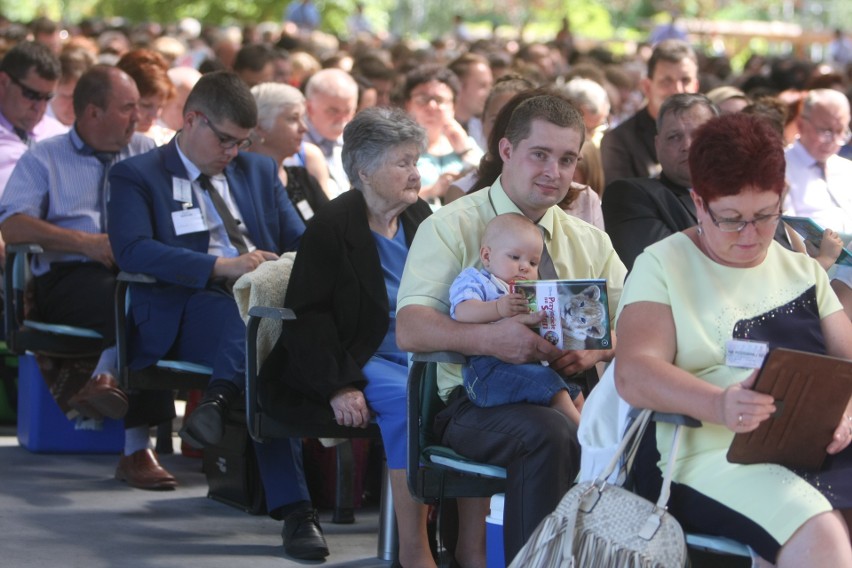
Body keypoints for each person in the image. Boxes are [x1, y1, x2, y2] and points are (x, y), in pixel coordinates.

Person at [106, 71, 328, 560]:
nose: (232, 152)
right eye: (225, 140)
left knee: (260, 337)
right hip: (181, 307)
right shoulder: (137, 175)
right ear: (192, 120)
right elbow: (132, 252)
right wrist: (221, 266)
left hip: (260, 304)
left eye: (242, 142)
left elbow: (302, 243)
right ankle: (297, 513)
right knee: (255, 335)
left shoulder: (259, 171)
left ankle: (219, 400)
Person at [614, 112, 852, 567]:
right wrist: (718, 404)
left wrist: (846, 413)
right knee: (822, 536)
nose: (750, 235)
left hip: (811, 443)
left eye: (765, 216)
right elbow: (635, 373)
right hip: (706, 451)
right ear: (698, 203)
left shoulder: (801, 268)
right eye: (730, 219)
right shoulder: (663, 263)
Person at [396, 93, 626, 561]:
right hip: (472, 397)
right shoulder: (451, 225)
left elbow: (638, 324)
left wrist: (597, 351)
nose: (553, 172)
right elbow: (410, 328)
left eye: (566, 160)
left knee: (650, 430)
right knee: (550, 433)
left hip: (576, 387)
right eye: (539, 155)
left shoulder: (590, 241)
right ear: (505, 151)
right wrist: (488, 339)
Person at [259, 107, 444, 568]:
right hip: (361, 355)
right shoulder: (332, 225)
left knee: (471, 396)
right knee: (410, 402)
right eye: (402, 163)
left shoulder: (420, 216)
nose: (416, 174)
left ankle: (460, 541)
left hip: (422, 346)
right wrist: (339, 384)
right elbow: (310, 315)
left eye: (416, 161)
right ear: (363, 169)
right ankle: (414, 549)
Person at [0, 65, 175, 489]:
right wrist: (87, 244)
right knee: (131, 304)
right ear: (93, 112)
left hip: (134, 272)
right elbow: (13, 227)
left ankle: (105, 374)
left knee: (160, 300)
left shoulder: (146, 151)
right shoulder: (45, 156)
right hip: (68, 276)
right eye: (128, 108)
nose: (139, 117)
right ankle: (136, 448)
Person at [450, 213, 583, 425]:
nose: (524, 267)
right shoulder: (477, 280)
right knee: (552, 386)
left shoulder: (529, 293)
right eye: (514, 257)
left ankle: (587, 438)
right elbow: (462, 312)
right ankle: (585, 439)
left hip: (528, 366)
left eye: (533, 262)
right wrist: (497, 308)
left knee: (574, 393)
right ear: (486, 256)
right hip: (488, 371)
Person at [602, 93, 718, 271]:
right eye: (674, 137)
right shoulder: (631, 196)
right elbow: (664, 267)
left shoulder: (746, 194)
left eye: (699, 135)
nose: (687, 145)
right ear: (657, 145)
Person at [600, 39, 699, 185]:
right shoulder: (620, 141)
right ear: (647, 87)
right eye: (666, 81)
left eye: (685, 80)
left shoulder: (710, 137)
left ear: (696, 86)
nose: (678, 90)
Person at [403, 64, 483, 207]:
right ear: (408, 105)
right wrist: (430, 191)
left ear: (453, 106)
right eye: (422, 99)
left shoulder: (466, 143)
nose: (431, 106)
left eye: (439, 100)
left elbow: (489, 185)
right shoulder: (396, 149)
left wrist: (465, 150)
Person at [250, 81, 328, 224]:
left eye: (303, 118)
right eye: (293, 119)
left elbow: (333, 231)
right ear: (260, 126)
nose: (304, 128)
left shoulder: (302, 178)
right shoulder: (241, 183)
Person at [0, 40, 67, 195]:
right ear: (3, 82)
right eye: (31, 95)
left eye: (47, 98)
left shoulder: (59, 134)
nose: (40, 107)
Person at [783, 89, 852, 236]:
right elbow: (787, 235)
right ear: (801, 125)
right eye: (825, 130)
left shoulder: (846, 168)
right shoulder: (780, 167)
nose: (832, 140)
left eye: (840, 131)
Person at [302, 68, 358, 197]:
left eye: (348, 111)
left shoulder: (355, 140)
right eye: (333, 111)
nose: (342, 119)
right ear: (309, 108)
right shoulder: (296, 146)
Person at [116, 49, 176, 146]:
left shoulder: (171, 143)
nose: (155, 115)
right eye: (146, 105)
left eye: (160, 106)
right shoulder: (100, 141)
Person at [448, 52, 494, 150]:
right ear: (459, 86)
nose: (489, 92)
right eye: (482, 85)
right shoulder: (434, 133)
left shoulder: (482, 128)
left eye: (490, 85)